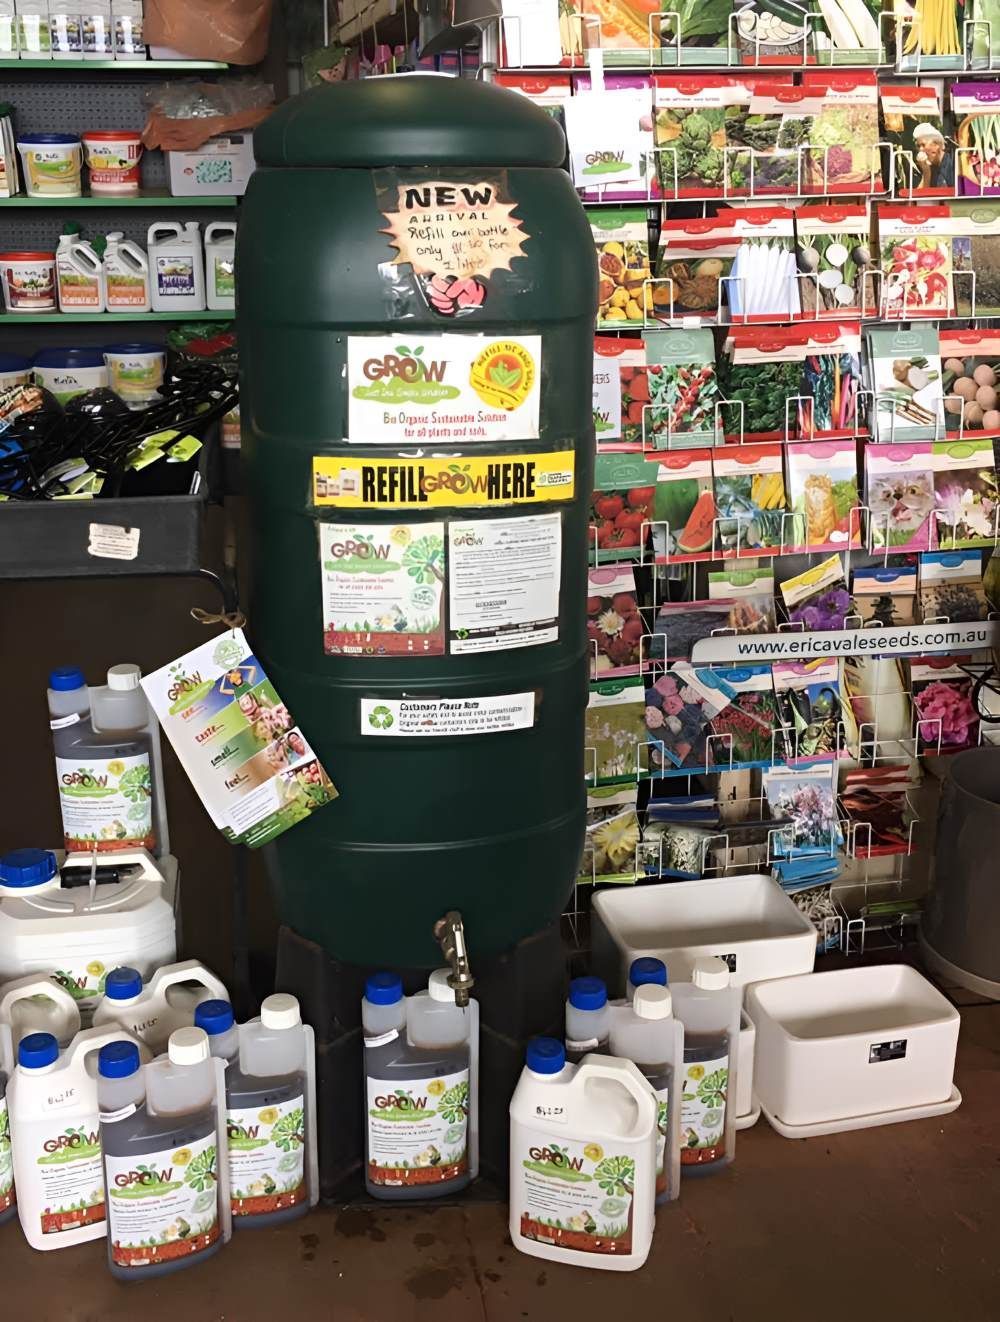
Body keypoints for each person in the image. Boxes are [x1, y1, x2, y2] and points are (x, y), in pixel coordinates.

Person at [913, 123, 954, 191]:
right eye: (918, 146)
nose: (920, 150)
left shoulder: (953, 164)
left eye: (923, 145)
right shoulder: (927, 167)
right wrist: (926, 171)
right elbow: (919, 195)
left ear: (936, 145)